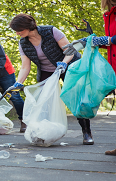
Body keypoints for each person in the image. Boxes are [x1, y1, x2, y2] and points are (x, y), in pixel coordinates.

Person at [8, 13, 95, 145]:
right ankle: (44, 133)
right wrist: (18, 82)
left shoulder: (51, 31)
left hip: (69, 66)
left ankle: (86, 132)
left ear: (28, 27)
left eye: (19, 30)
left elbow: (70, 51)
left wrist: (64, 64)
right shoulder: (23, 43)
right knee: (43, 102)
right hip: (47, 71)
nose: (17, 33)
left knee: (76, 99)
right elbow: (25, 67)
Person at [62, 0, 116, 154]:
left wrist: (107, 40)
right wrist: (91, 42)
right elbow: (112, 40)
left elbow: (113, 39)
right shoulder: (110, 14)